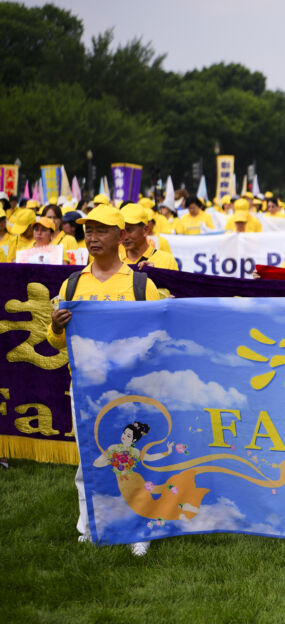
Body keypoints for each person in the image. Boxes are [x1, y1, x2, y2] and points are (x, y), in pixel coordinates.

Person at [48, 203, 164, 557]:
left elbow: (159, 337)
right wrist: (55, 325)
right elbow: (56, 342)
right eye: (88, 231)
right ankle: (89, 527)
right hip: (84, 389)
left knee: (135, 459)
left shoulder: (140, 284)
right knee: (87, 462)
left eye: (101, 231)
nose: (93, 238)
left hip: (131, 389)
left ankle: (138, 529)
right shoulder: (73, 283)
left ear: (120, 236)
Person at [119, 204, 176, 269]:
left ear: (145, 230)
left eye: (129, 230)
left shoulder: (167, 261)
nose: (124, 237)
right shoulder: (113, 261)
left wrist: (155, 274)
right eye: (121, 232)